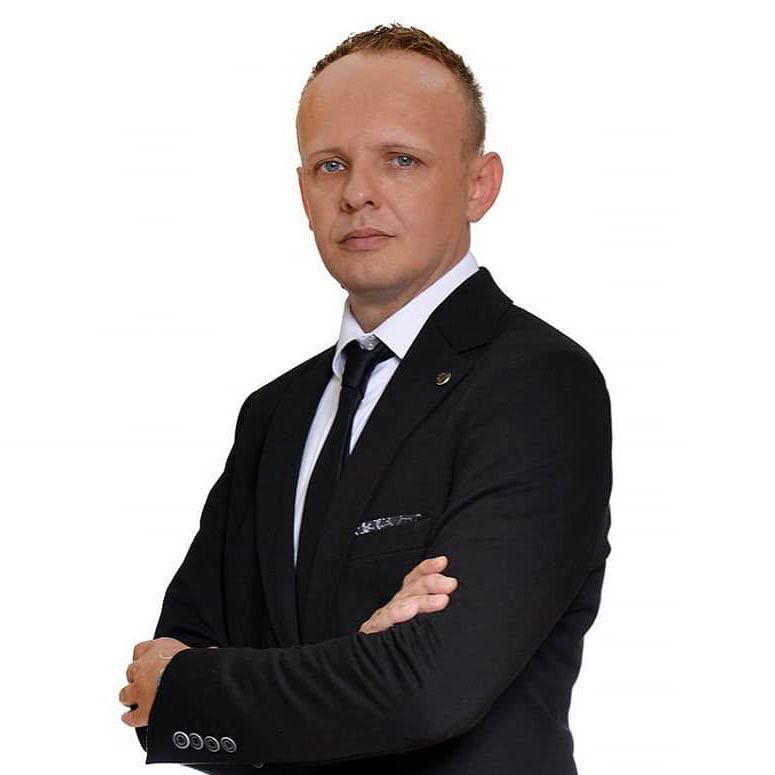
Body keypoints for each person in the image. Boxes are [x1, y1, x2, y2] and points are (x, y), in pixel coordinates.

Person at [119, 22, 613, 774]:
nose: (357, 193)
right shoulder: (274, 413)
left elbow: (429, 692)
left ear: (478, 184)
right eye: (331, 165)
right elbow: (157, 682)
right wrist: (361, 658)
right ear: (303, 192)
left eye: (401, 159)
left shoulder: (538, 384)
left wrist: (210, 687)